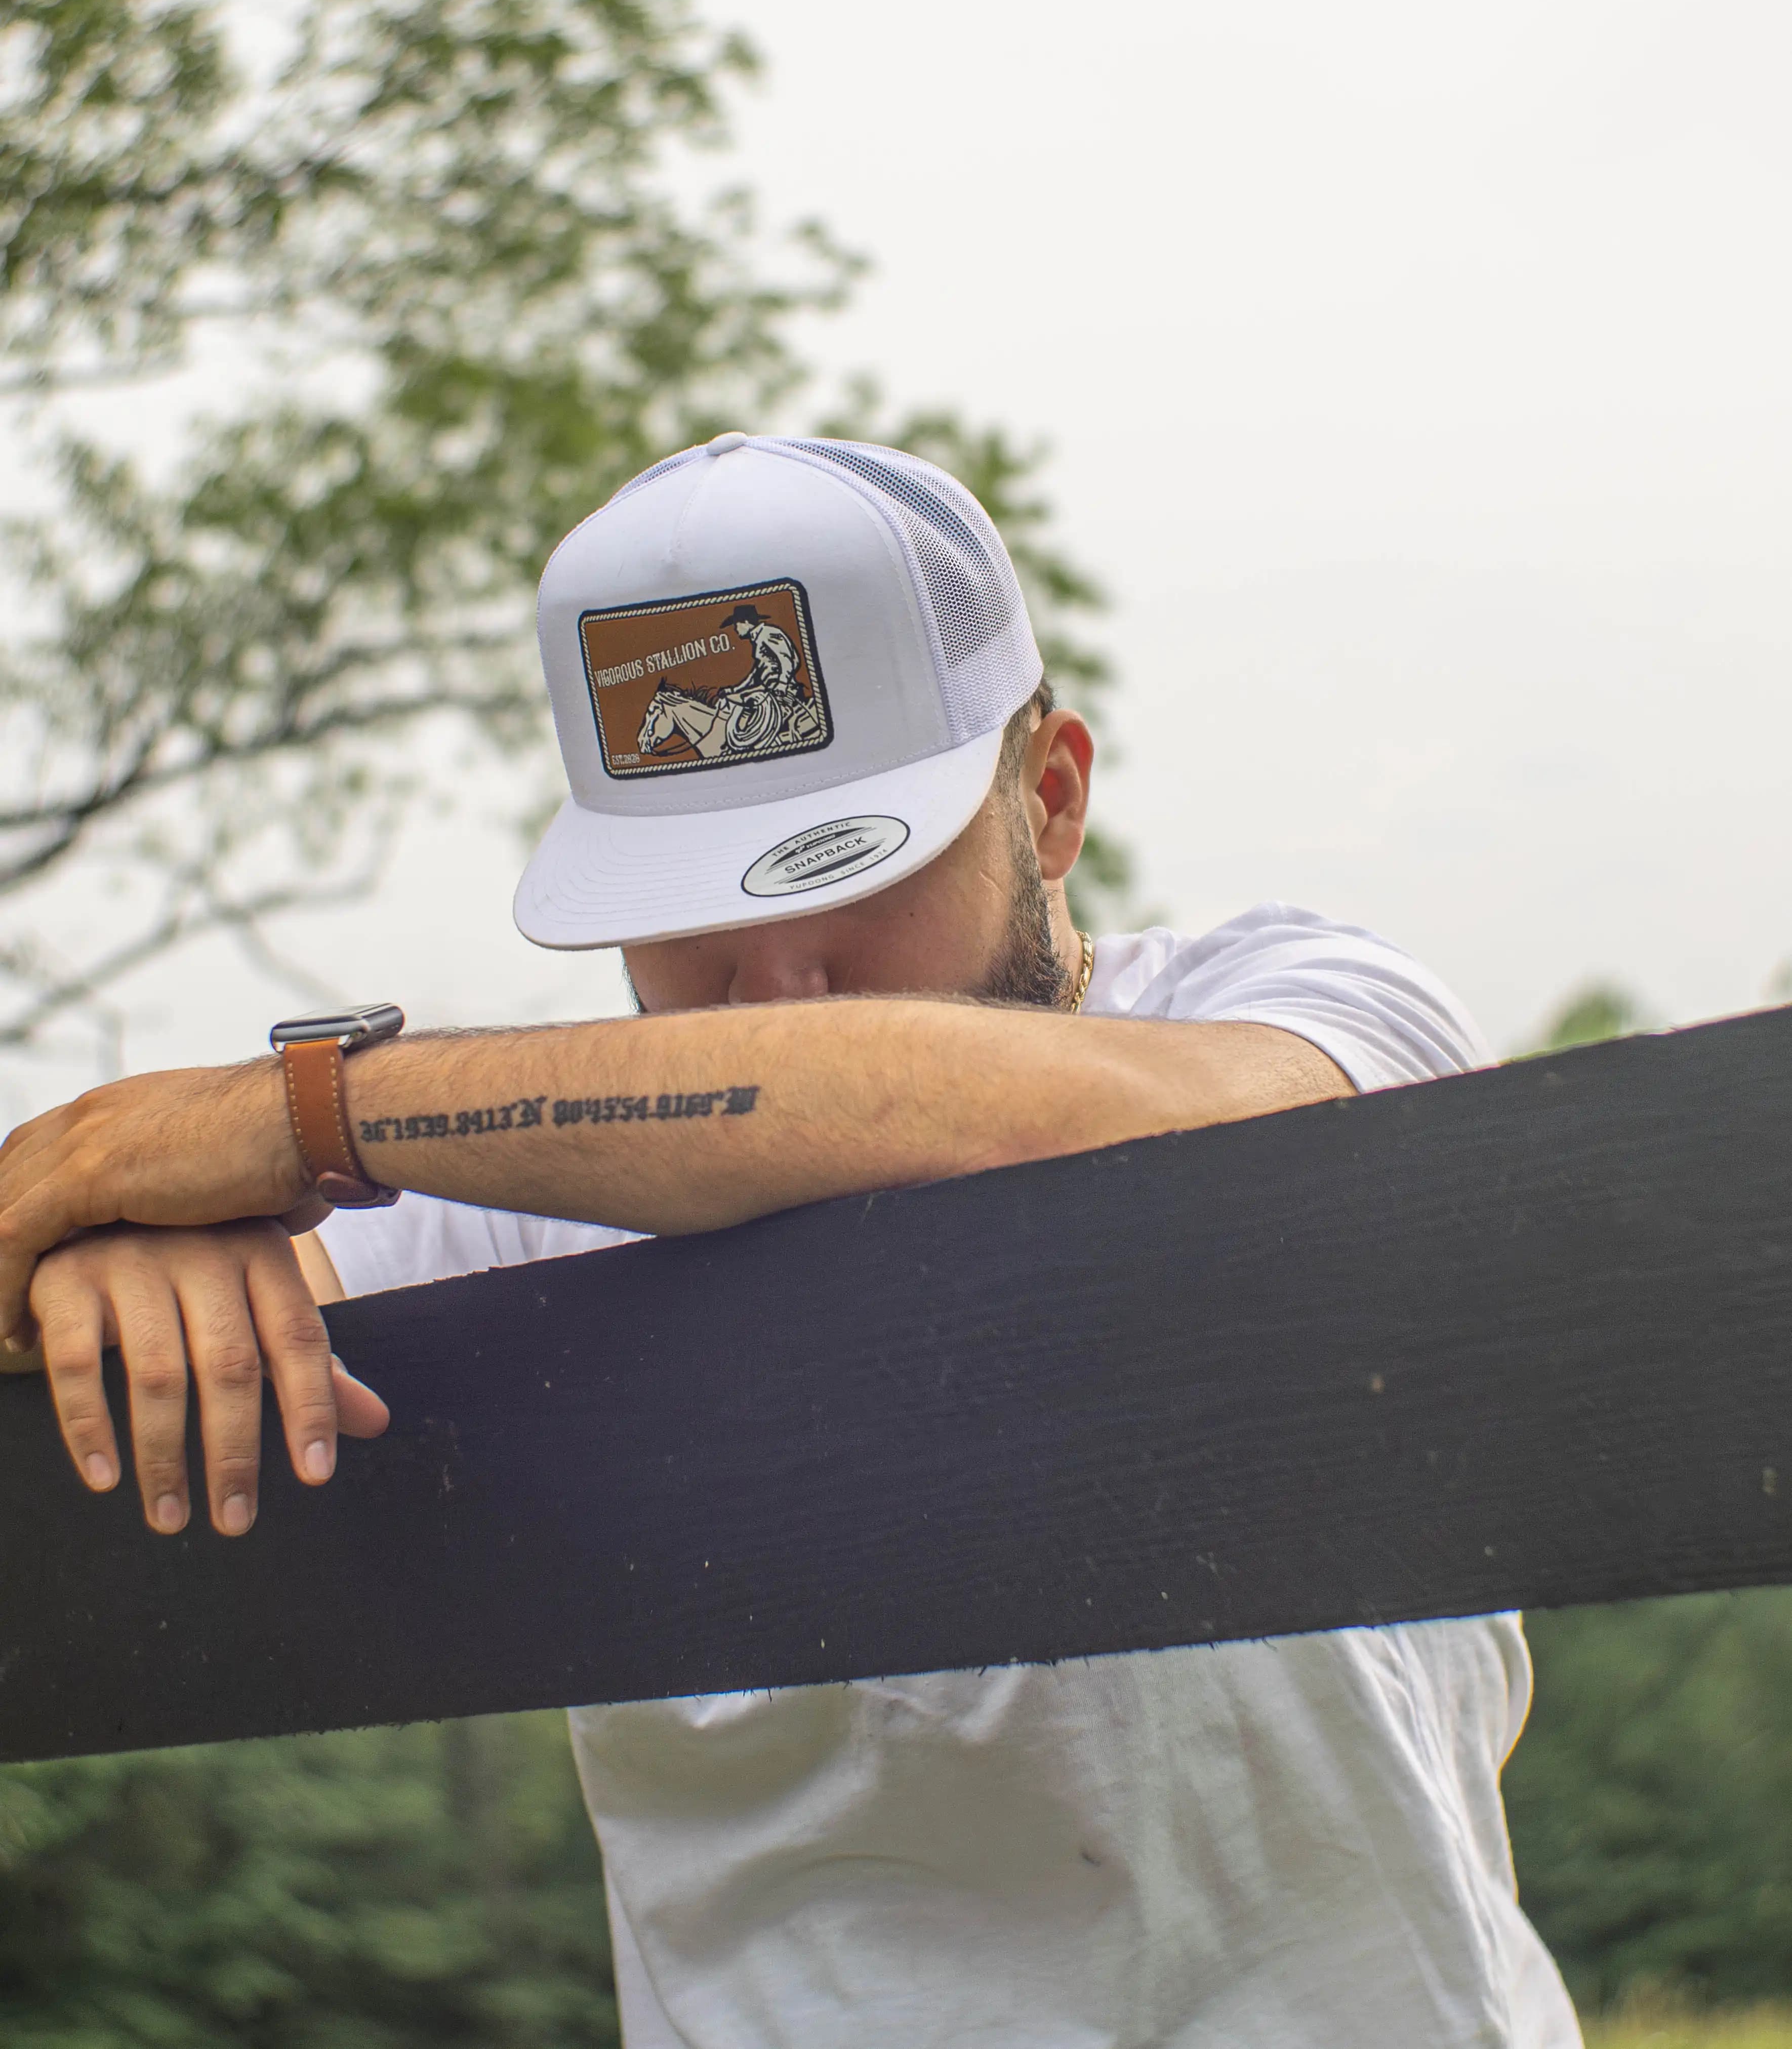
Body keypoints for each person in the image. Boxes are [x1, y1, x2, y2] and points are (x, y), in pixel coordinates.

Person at [0, 433, 1580, 2048]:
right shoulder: (518, 1192)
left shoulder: (1299, 1004)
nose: (778, 981)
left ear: (1046, 802)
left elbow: (1189, 1143)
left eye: (853, 865)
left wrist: (312, 1112)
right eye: (690, 901)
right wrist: (118, 1248)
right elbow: (99, 1304)